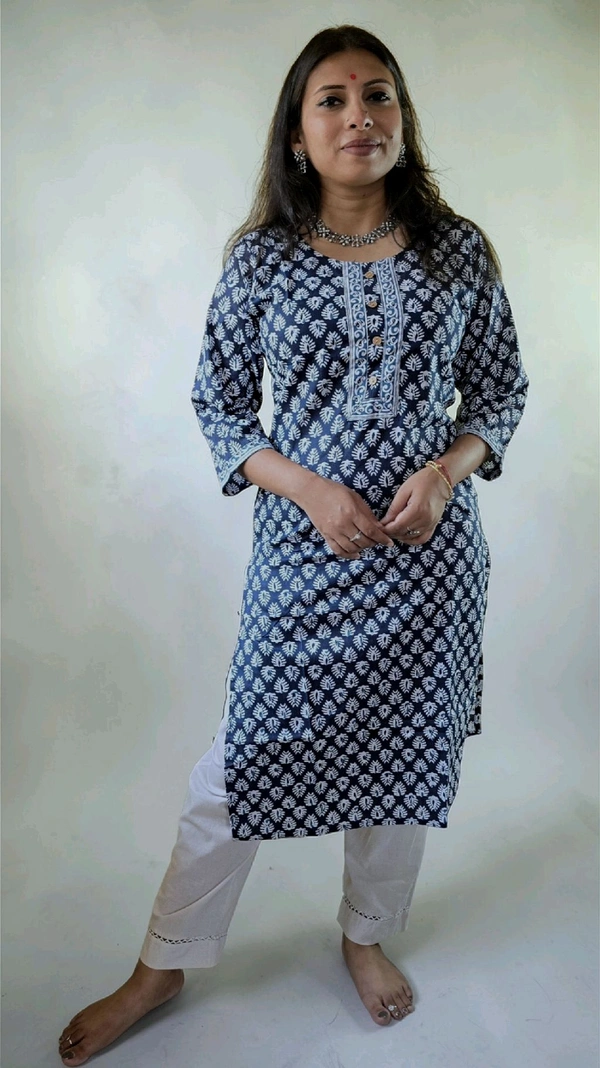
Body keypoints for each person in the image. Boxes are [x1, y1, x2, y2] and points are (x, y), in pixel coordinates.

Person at [57, 23, 528, 1064]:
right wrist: (310, 489)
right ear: (298, 133)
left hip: (428, 568)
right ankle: (163, 963)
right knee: (240, 766)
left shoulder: (456, 251)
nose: (360, 116)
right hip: (306, 565)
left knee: (403, 754)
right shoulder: (263, 260)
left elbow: (500, 393)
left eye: (379, 94)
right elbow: (220, 407)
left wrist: (445, 475)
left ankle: (364, 935)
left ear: (402, 118)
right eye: (333, 100)